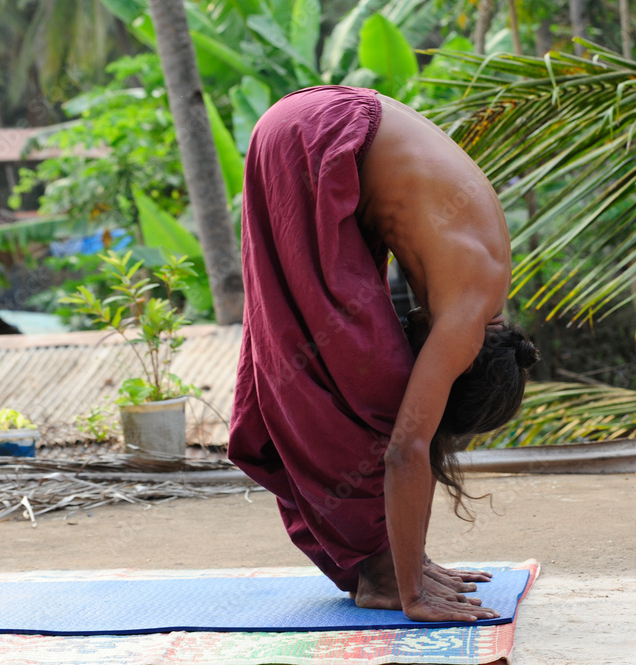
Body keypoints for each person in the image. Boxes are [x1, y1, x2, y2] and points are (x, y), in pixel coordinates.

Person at [228, 85, 538, 623]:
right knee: (370, 393)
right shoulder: (464, 318)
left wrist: (415, 559)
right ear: (465, 368)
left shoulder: (481, 292)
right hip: (319, 136)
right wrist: (414, 594)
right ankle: (387, 577)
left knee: (352, 367)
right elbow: (407, 449)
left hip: (319, 126)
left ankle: (395, 563)